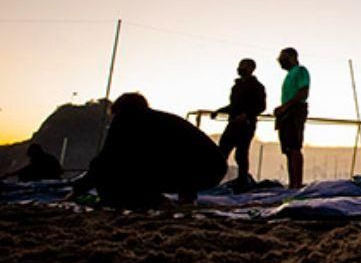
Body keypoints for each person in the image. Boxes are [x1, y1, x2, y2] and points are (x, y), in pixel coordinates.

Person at [70, 93, 226, 207]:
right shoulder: (164, 120)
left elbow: (104, 161)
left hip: (196, 170)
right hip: (214, 169)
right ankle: (183, 199)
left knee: (115, 182)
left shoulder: (126, 121)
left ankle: (155, 201)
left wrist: (79, 189)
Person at [210, 58, 267, 188]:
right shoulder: (236, 87)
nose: (241, 68)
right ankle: (212, 180)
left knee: (241, 154)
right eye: (240, 65)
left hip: (246, 125)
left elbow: (261, 106)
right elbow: (233, 106)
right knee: (222, 152)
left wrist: (246, 115)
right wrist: (219, 111)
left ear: (251, 69)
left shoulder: (257, 86)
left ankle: (242, 181)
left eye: (244, 66)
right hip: (233, 123)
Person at [274, 47, 309, 189]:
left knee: (294, 147)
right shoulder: (289, 75)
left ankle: (297, 184)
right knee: (288, 149)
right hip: (286, 113)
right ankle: (292, 183)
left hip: (295, 110)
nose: (280, 60)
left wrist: (285, 107)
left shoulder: (300, 71)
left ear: (292, 57)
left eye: (283, 57)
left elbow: (303, 92)